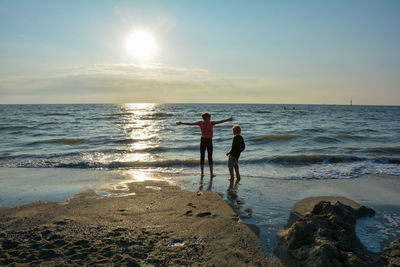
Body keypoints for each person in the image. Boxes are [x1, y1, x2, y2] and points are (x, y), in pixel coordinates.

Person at [176, 113, 233, 178]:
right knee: (204, 156)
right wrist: (182, 123)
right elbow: (191, 124)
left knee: (208, 156)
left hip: (206, 140)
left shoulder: (208, 123)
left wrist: (228, 119)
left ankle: (209, 173)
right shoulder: (205, 123)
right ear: (206, 117)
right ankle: (204, 173)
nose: (210, 117)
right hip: (205, 140)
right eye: (209, 116)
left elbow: (220, 122)